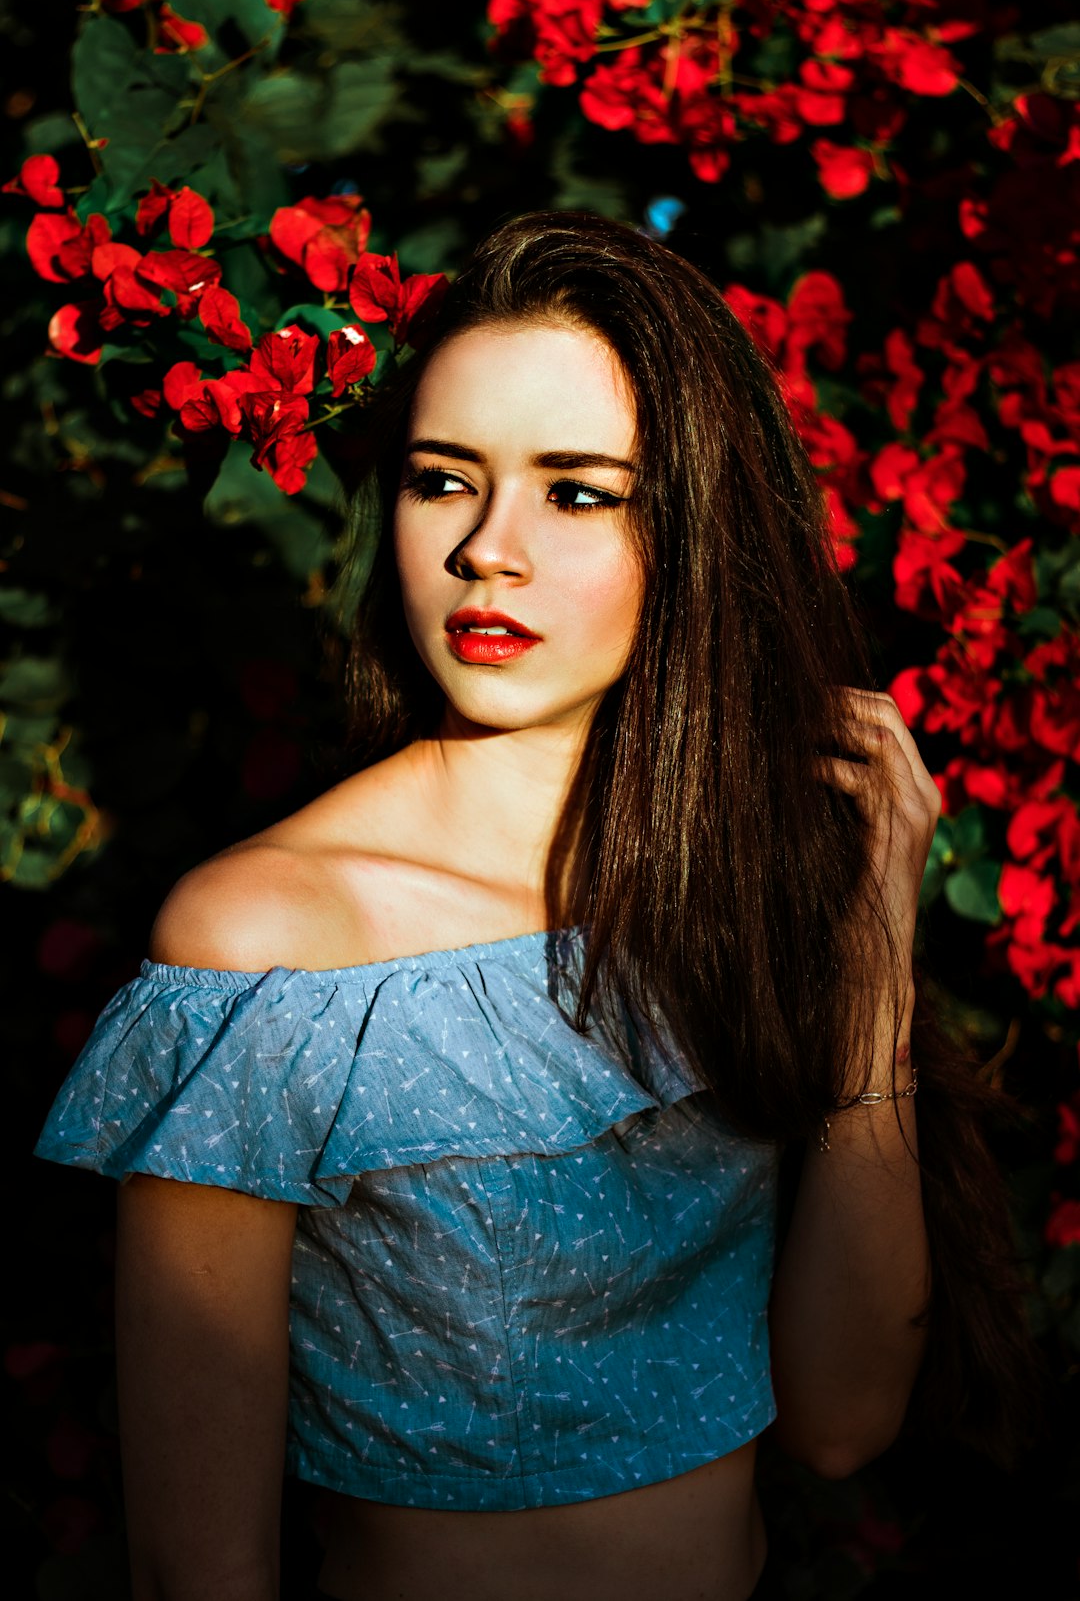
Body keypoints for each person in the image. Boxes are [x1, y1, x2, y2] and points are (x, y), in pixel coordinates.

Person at [34, 211, 1034, 1601]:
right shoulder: (266, 952)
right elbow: (198, 1566)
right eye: (445, 481)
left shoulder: (727, 888)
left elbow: (845, 1418)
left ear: (689, 531)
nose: (485, 551)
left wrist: (873, 948)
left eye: (576, 492)